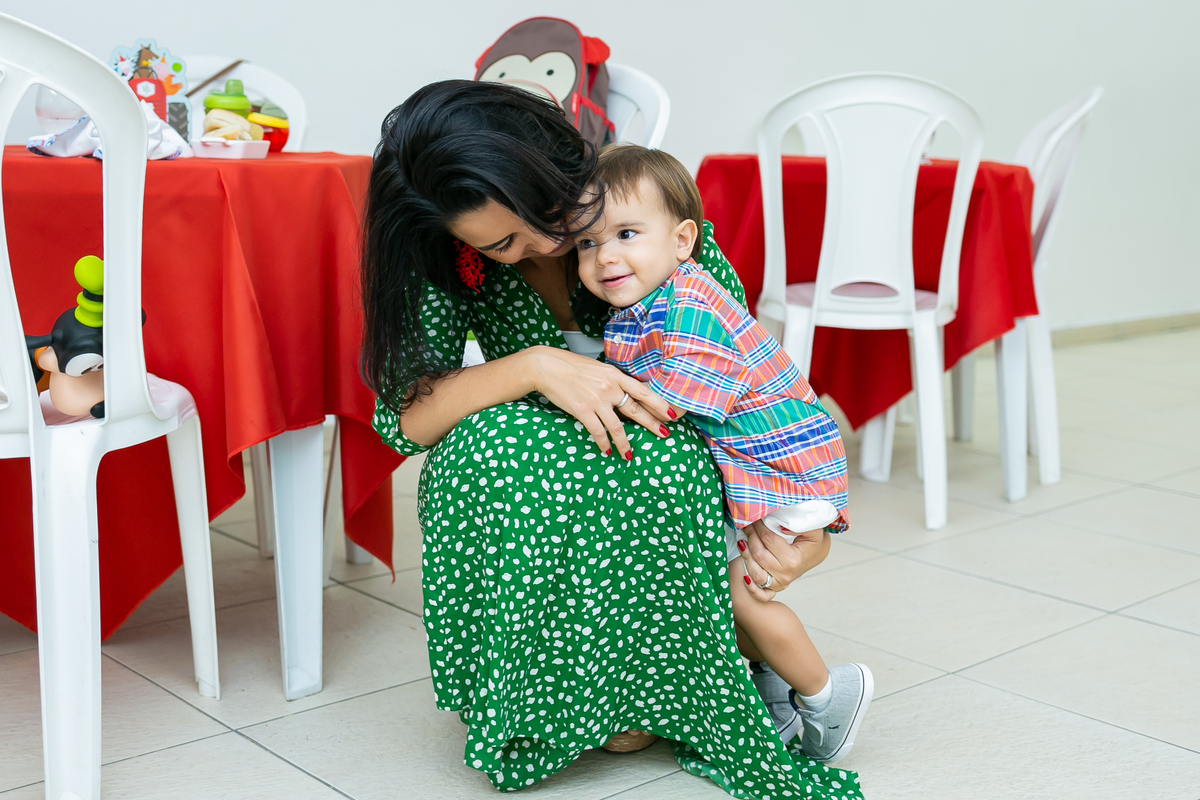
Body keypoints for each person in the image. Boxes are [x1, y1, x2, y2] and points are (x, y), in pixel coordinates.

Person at [362, 79, 863, 799]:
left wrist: (802, 533)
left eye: (543, 214)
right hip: (544, 435)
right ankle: (555, 689)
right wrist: (537, 366)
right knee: (490, 454)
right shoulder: (441, 253)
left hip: (675, 445)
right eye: (502, 244)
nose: (542, 243)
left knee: (638, 465)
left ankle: (667, 678)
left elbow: (747, 380)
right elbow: (405, 421)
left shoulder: (638, 204)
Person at [574, 144, 874, 763]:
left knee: (740, 595)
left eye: (627, 233)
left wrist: (578, 398)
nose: (605, 256)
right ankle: (769, 693)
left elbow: (665, 404)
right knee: (724, 589)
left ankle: (827, 691)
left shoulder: (692, 306)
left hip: (788, 469)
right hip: (760, 468)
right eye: (585, 242)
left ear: (683, 240)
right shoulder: (641, 306)